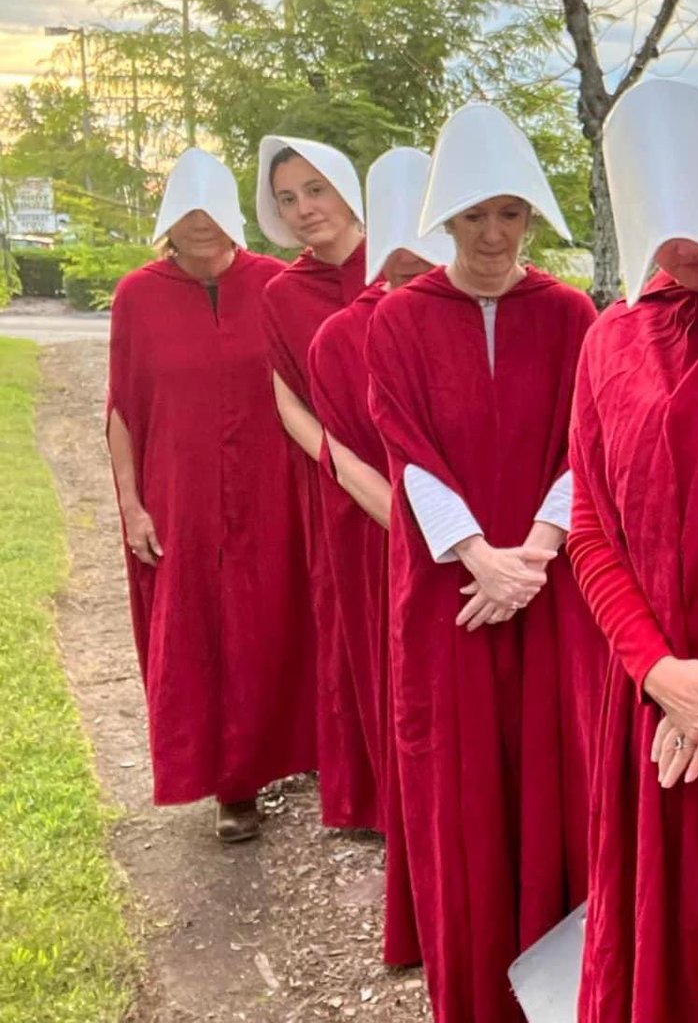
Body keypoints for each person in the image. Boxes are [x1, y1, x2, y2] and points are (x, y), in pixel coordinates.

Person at [364, 103, 604, 1023]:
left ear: (532, 220)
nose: (493, 234)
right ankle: (471, 984)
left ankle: (562, 984)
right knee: (457, 779)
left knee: (554, 772)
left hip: (551, 584)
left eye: (510, 213)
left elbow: (588, 442)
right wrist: (478, 557)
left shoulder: (574, 314)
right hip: (444, 590)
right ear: (446, 222)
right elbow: (406, 451)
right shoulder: (399, 322)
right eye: (475, 216)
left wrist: (535, 557)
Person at [568, 79, 698, 1023]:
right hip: (648, 696)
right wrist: (657, 673)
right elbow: (593, 526)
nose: (684, 243)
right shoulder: (610, 339)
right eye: (663, 217)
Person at [107, 148, 316, 842]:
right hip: (179, 493)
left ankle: (285, 757)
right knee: (195, 631)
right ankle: (229, 786)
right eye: (187, 211)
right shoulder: (137, 294)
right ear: (169, 217)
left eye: (213, 210)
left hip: (272, 488)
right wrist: (132, 504)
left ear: (235, 216)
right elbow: (122, 408)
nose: (201, 225)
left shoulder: (279, 284)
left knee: (275, 622)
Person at [307, 147, 453, 966]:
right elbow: (351, 457)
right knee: (411, 708)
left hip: (486, 552)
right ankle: (424, 880)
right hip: (392, 546)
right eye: (392, 250)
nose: (403, 266)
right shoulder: (342, 337)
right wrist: (430, 535)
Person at [257, 134, 380, 831]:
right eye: (287, 199)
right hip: (336, 484)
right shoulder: (281, 294)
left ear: (344, 186)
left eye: (314, 189)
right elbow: (286, 404)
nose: (304, 208)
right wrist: (344, 471)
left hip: (424, 476)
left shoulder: (403, 259)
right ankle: (369, 796)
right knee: (350, 630)